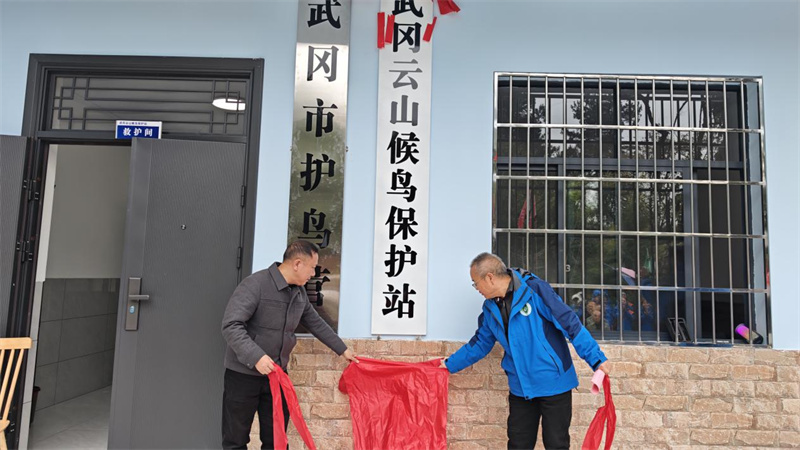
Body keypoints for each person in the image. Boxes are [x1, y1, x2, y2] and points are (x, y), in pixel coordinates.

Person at [440, 253, 609, 450]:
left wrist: (596, 359)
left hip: (553, 383)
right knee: (518, 444)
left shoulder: (535, 290)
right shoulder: (490, 309)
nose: (476, 288)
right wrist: (448, 365)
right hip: (521, 388)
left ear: (490, 277)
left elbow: (569, 323)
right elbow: (479, 344)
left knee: (556, 444)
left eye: (475, 283)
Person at [221, 241, 358, 449]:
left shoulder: (298, 293)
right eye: (312, 267)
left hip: (277, 376)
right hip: (243, 376)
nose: (313, 273)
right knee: (235, 440)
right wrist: (256, 357)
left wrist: (343, 349)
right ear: (297, 264)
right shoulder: (255, 284)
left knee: (276, 441)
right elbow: (231, 325)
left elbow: (315, 323)